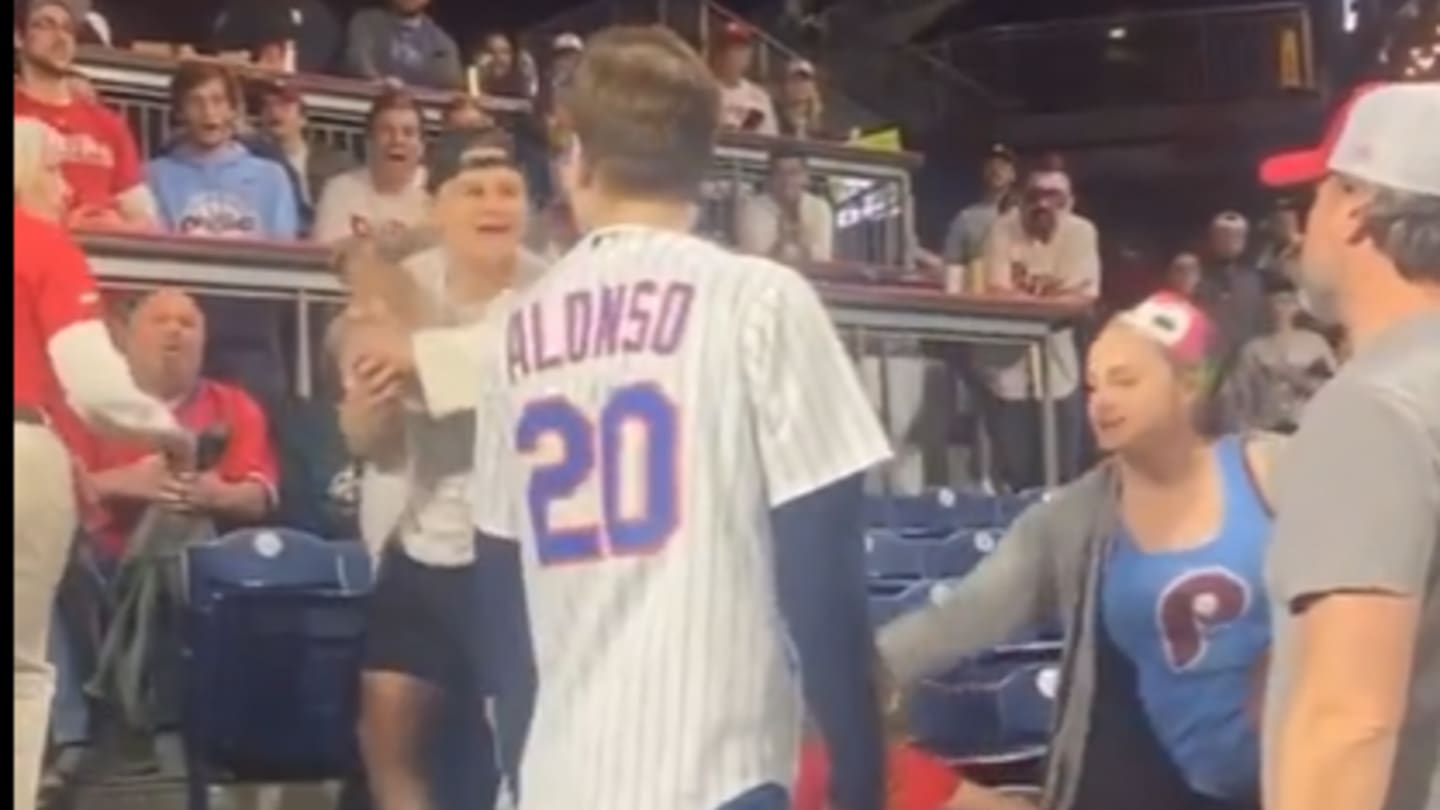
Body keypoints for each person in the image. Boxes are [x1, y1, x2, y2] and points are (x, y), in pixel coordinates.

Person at [466, 26, 889, 810]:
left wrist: (520, 770)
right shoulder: (759, 299)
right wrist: (860, 780)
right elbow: (822, 580)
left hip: (562, 775)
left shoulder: (517, 331)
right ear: (703, 159)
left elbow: (499, 593)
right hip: (716, 772)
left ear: (576, 155)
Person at [882, 291, 1281, 810]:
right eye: (1093, 386)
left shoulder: (1273, 472)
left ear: (1188, 385)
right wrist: (863, 670)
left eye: (1125, 381)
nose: (1101, 401)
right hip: (1139, 786)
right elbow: (962, 617)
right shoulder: (1071, 518)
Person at [335, 127, 545, 810]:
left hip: (516, 553)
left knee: (515, 748)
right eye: (475, 190)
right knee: (387, 726)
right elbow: (368, 435)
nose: (493, 204)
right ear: (442, 207)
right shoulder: (405, 286)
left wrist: (386, 304)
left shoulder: (555, 293)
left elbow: (457, 358)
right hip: (421, 538)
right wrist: (368, 402)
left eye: (508, 190)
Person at [1256, 81, 1440, 810]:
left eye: (1316, 198)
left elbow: (1346, 724)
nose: (1303, 229)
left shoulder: (1376, 406)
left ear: (1357, 210)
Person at [14, 117, 190, 810]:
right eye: (52, 171)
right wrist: (166, 430)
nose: (64, 188)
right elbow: (91, 381)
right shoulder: (41, 244)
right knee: (22, 669)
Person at [57, 289, 279, 562]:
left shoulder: (236, 406)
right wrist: (124, 482)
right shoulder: (89, 404)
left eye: (187, 324)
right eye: (160, 321)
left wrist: (211, 494)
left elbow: (257, 498)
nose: (174, 330)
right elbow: (51, 496)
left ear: (202, 343)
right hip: (100, 565)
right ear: (127, 339)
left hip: (199, 563)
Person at [973, 165, 1099, 490]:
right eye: (1035, 196)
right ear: (1021, 199)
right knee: (1015, 471)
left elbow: (1083, 297)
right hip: (1008, 365)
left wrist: (1030, 299)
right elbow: (996, 292)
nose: (1043, 204)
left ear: (1069, 202)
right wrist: (1054, 297)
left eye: (1053, 197)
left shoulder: (1081, 232)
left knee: (1062, 474)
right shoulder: (1002, 228)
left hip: (1058, 366)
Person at [13, 0, 157, 231]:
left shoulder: (108, 124)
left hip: (105, 257)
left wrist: (113, 227)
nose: (60, 37)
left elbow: (146, 221)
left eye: (68, 29)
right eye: (45, 25)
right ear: (19, 38)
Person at [147, 62, 299, 239]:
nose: (208, 112)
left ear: (232, 110)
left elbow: (284, 249)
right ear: (180, 112)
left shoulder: (272, 177)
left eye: (217, 101)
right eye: (196, 102)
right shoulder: (153, 176)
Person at [312, 89, 429, 244]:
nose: (397, 140)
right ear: (369, 143)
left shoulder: (439, 200)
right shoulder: (339, 191)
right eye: (387, 131)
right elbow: (330, 256)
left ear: (422, 147)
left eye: (408, 133)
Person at [1221, 276, 1336, 433]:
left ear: (1297, 305)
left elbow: (1333, 390)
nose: (1280, 308)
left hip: (1309, 429)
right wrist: (1247, 431)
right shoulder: (1253, 350)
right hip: (1266, 434)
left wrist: (1295, 377)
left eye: (1286, 301)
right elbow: (1240, 398)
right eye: (1274, 302)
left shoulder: (1314, 343)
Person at [256, 81, 354, 228]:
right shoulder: (254, 162)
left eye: (284, 106)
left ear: (303, 119)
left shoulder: (334, 163)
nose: (274, 111)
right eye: (267, 106)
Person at [737, 146, 835, 264]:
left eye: (793, 173)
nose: (786, 180)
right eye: (779, 173)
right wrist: (781, 242)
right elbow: (753, 264)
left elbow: (823, 260)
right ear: (770, 178)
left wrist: (799, 237)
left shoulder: (820, 207)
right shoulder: (752, 209)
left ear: (806, 177)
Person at [1194, 211, 1268, 355]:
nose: (1229, 240)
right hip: (1209, 357)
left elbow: (1259, 321)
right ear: (1213, 238)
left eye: (1236, 235)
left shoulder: (1253, 280)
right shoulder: (1198, 278)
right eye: (1224, 235)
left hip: (1246, 357)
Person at [344, 0, 462, 90]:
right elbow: (358, 59)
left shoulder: (442, 44)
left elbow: (446, 85)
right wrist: (378, 82)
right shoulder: (367, 21)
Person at [942, 144, 1017, 273]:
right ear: (983, 171)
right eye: (991, 165)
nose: (996, 170)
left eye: (1002, 166)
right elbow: (951, 264)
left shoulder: (1023, 216)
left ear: (1013, 174)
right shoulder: (965, 218)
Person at [711, 21, 778, 135]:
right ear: (719, 53)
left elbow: (771, 140)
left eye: (743, 49)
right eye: (733, 49)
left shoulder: (759, 97)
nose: (738, 55)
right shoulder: (704, 92)